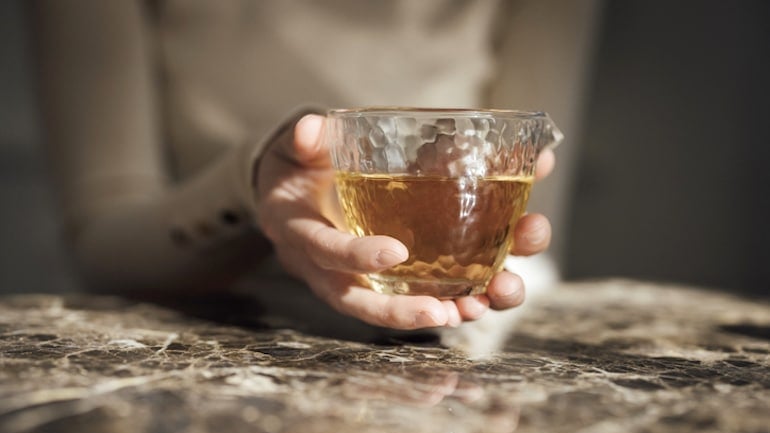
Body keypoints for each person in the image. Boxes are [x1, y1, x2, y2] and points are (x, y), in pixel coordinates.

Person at [31, 0, 600, 331]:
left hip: (468, 319)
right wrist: (252, 187)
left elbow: (531, 158)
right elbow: (103, 241)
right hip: (207, 317)